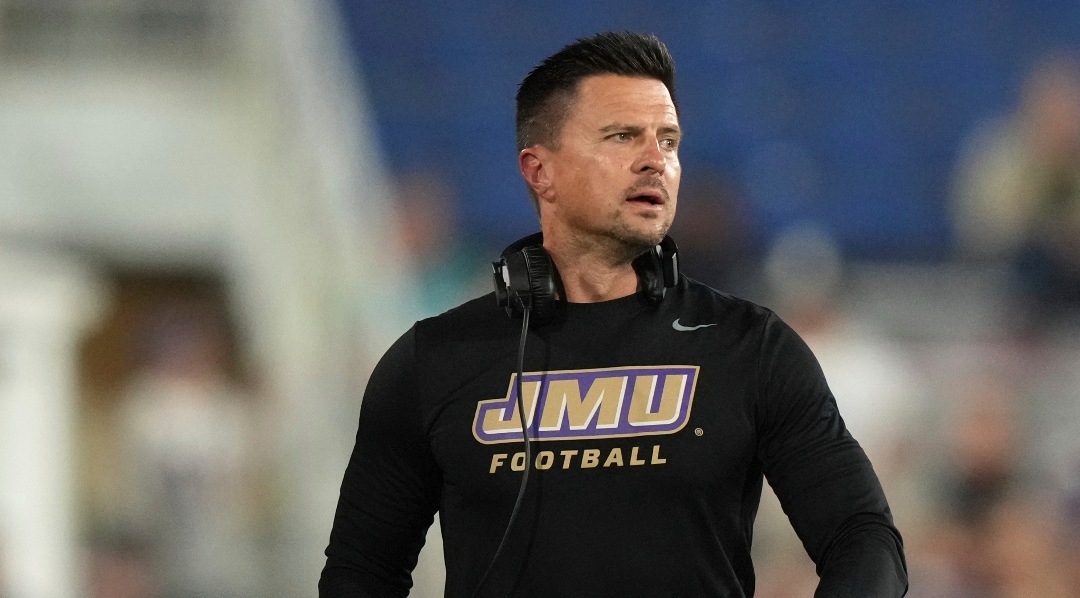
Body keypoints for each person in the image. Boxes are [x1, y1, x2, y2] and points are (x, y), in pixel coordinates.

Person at [320, 31, 907, 597]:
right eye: (623, 137)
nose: (655, 161)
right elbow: (361, 573)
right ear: (539, 171)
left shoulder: (751, 347)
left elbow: (863, 536)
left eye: (669, 141)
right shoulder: (433, 362)